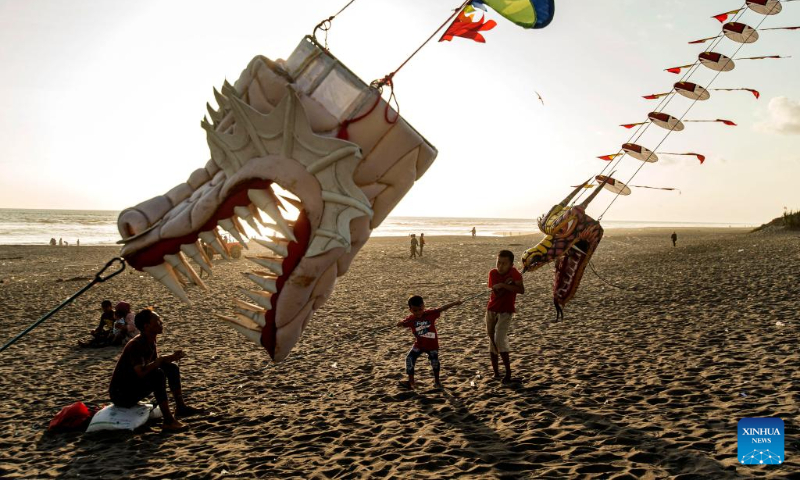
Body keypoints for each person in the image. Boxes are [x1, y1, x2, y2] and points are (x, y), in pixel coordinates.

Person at [108, 308, 201, 431]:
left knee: (171, 367)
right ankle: (168, 421)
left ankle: (181, 407)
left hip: (133, 384)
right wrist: (160, 361)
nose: (161, 323)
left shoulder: (150, 340)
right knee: (158, 375)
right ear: (146, 326)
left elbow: (154, 363)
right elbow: (141, 372)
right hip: (121, 394)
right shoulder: (136, 344)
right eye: (157, 321)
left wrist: (171, 357)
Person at [397, 295, 462, 389]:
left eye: (420, 309)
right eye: (415, 310)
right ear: (410, 310)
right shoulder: (410, 319)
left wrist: (455, 303)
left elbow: (442, 308)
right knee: (409, 359)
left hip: (432, 345)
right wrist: (400, 323)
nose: (418, 312)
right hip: (419, 345)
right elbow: (402, 323)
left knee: (435, 362)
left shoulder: (430, 313)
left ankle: (437, 382)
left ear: (424, 306)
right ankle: (411, 382)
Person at [486, 250, 525, 383]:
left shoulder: (515, 273)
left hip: (506, 311)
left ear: (511, 264)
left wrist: (504, 285)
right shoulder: (493, 273)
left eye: (504, 263)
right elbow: (497, 295)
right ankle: (496, 372)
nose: (500, 266)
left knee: (499, 339)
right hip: (491, 310)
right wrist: (502, 287)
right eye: (498, 263)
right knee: (492, 341)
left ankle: (508, 372)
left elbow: (521, 290)